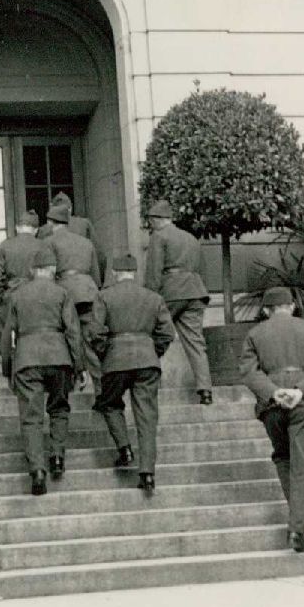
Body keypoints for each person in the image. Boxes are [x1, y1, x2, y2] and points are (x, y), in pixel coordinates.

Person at [240, 287, 304, 553]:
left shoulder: (254, 334)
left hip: (271, 405)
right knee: (302, 466)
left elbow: (248, 371)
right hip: (303, 402)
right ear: (292, 306)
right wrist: (301, 390)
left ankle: (296, 518)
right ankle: (296, 529)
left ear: (266, 310)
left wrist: (273, 392)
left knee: (283, 457)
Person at [89, 253, 175, 497]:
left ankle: (124, 448)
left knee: (108, 403)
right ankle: (147, 472)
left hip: (115, 361)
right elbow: (167, 333)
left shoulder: (104, 296)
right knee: (147, 417)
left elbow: (95, 332)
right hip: (147, 361)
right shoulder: (154, 297)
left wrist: (106, 352)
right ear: (135, 272)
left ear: (114, 273)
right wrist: (153, 350)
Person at [4, 242, 84, 495]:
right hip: (59, 357)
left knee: (31, 418)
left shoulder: (17, 295)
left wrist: (8, 368)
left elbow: (7, 335)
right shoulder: (62, 293)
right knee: (59, 409)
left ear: (32, 270)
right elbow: (73, 332)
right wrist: (79, 366)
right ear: (52, 269)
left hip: (27, 359)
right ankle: (57, 457)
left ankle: (38, 470)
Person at [143, 198, 214, 405]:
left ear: (157, 219)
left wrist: (149, 300)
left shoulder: (158, 236)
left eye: (151, 221)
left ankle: (147, 386)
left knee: (149, 335)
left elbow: (154, 272)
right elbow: (202, 268)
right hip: (195, 291)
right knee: (195, 342)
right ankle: (205, 390)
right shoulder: (190, 237)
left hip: (171, 292)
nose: (150, 225)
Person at [39, 200, 104, 394]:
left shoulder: (48, 242)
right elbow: (96, 272)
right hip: (88, 292)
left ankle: (70, 386)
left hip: (64, 293)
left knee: (64, 340)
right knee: (90, 343)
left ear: (50, 222)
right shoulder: (86, 242)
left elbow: (48, 272)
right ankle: (101, 391)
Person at [0, 207, 42, 377]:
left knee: (7, 337)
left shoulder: (5, 246)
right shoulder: (43, 245)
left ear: (18, 227)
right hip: (37, 297)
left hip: (11, 295)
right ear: (36, 230)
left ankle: (9, 373)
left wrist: (2, 298)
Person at [47, 191, 104, 281]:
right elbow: (99, 255)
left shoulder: (45, 229)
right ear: (70, 208)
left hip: (58, 281)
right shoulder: (84, 224)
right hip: (83, 279)